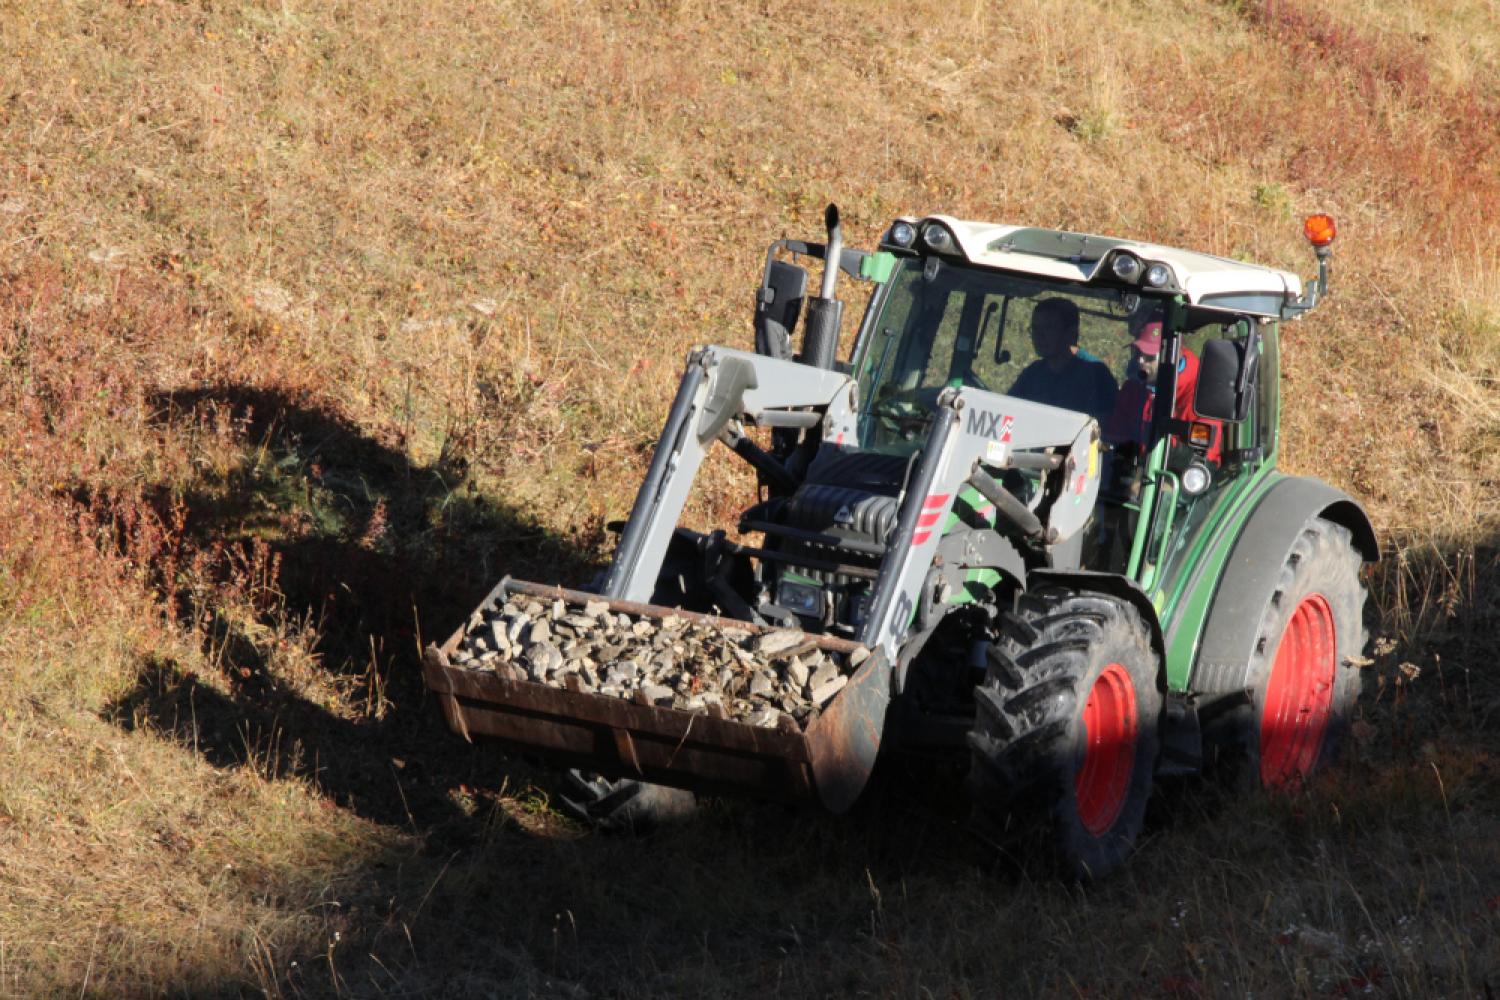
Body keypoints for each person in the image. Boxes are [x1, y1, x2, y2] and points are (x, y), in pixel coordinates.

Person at [1105, 321, 1223, 462]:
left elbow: (1206, 458)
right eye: (1138, 353)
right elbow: (1114, 435)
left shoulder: (1201, 398)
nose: (1141, 360)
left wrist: (1171, 451)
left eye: (1149, 357)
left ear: (1172, 356)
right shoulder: (1132, 388)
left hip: (1178, 476)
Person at [1007, 298, 1117, 421]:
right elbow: (1007, 410)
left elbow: (1102, 429)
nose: (1039, 336)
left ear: (1071, 333)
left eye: (1048, 328)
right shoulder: (1032, 374)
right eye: (1035, 329)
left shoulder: (1096, 376)